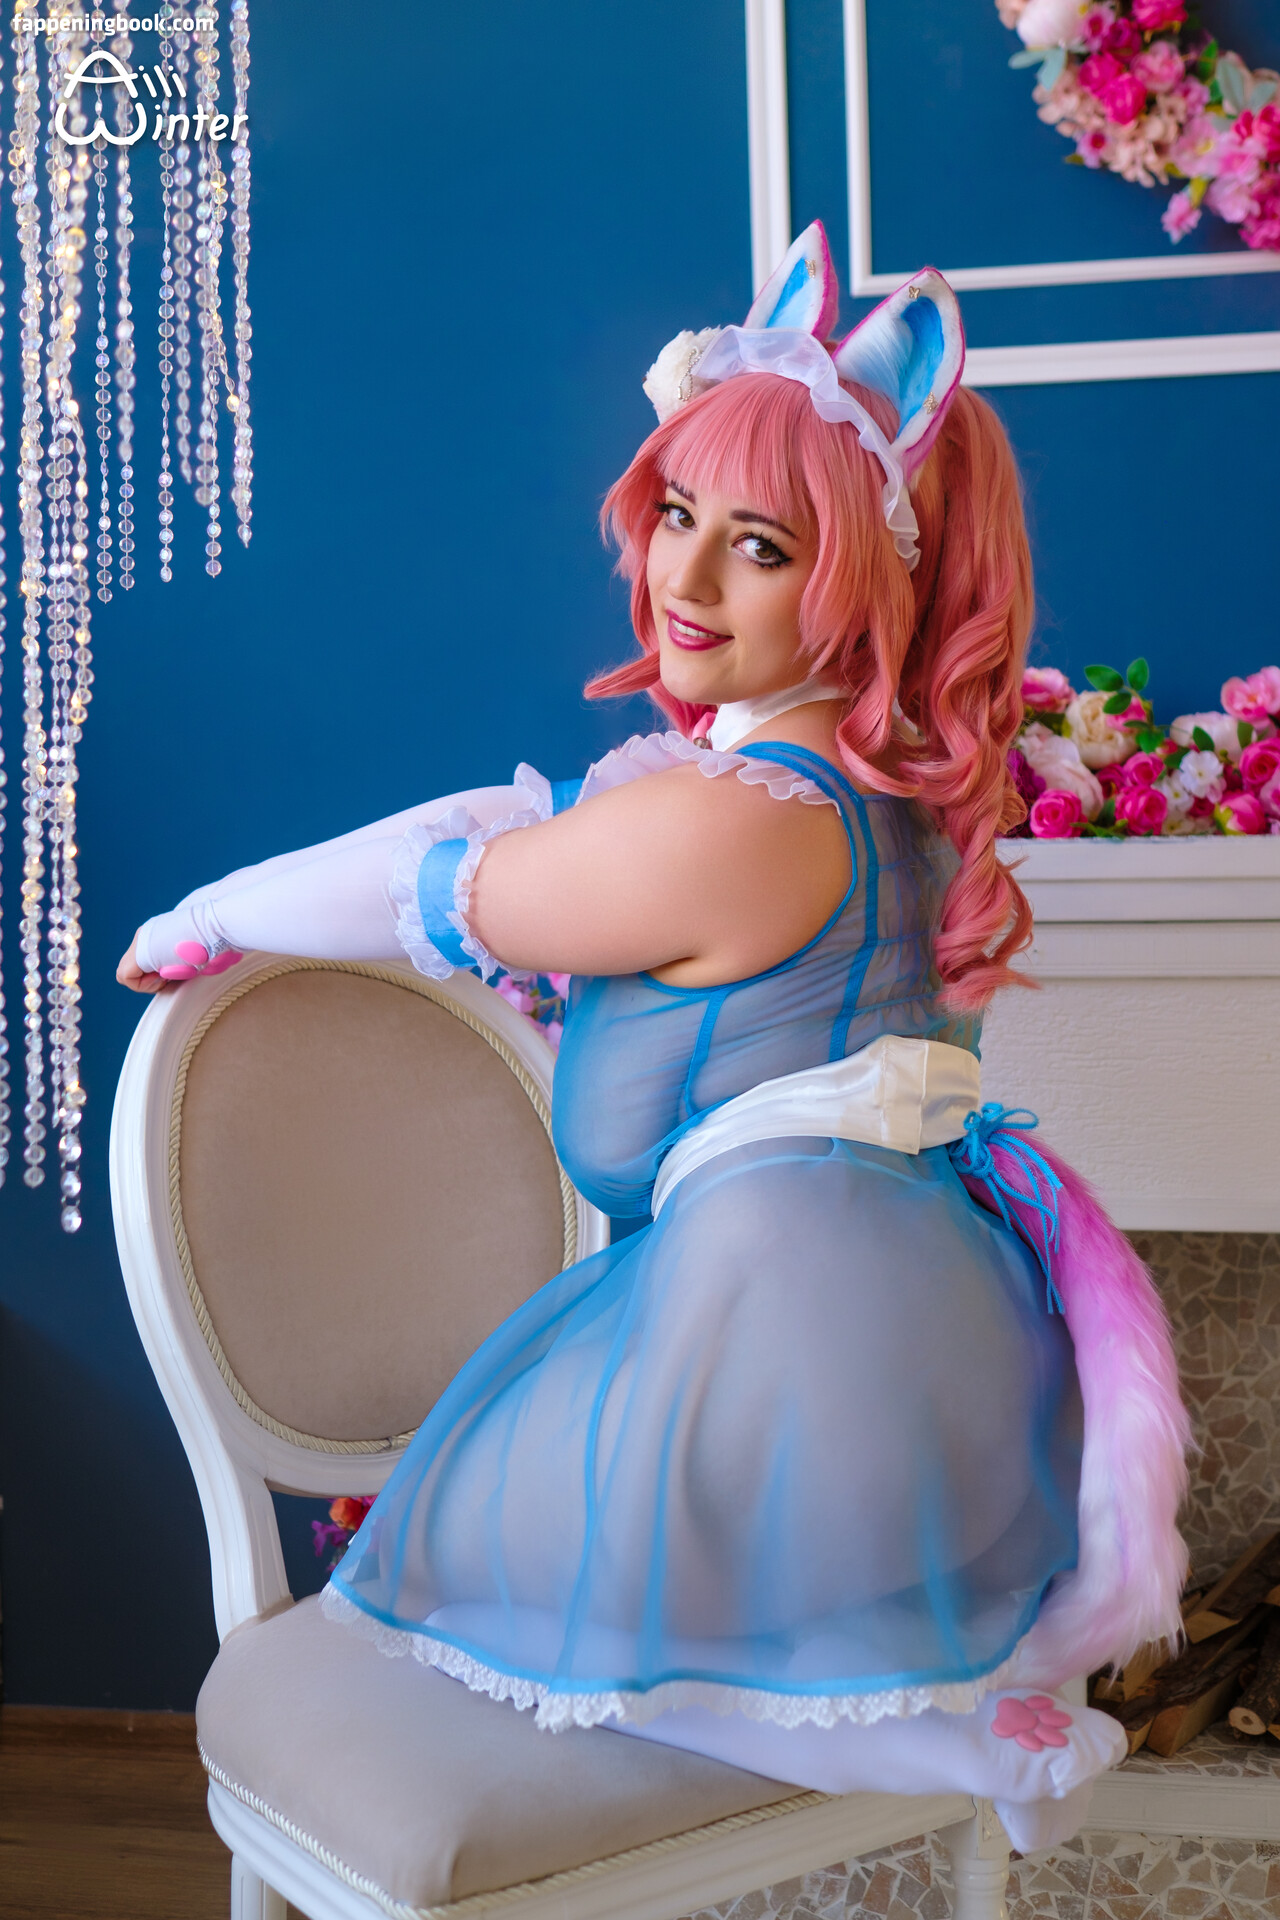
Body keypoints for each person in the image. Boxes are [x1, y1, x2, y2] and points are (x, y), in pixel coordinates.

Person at [119, 224, 1189, 1852]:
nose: (681, 582)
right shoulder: (859, 797)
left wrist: (210, 910)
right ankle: (946, 1706)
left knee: (518, 1611)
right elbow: (512, 826)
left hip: (788, 1342)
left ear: (869, 576)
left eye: (758, 547)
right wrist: (224, 913)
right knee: (561, 1597)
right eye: (677, 514)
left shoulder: (737, 824)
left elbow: (449, 878)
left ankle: (944, 1736)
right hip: (911, 1338)